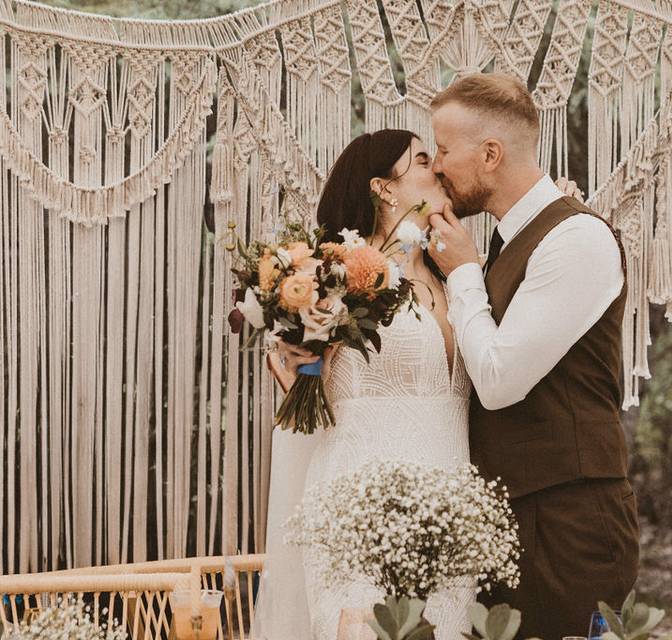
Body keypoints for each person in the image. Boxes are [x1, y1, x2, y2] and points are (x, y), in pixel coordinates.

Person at [254, 128, 583, 639]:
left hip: (451, 515)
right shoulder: (334, 279)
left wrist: (549, 221)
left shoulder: (462, 278)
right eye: (424, 160)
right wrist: (300, 364)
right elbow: (306, 380)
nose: (440, 169)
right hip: (356, 512)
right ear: (384, 188)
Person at [426, 73, 640, 640]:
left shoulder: (577, 240)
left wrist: (464, 273)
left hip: (568, 527)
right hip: (508, 520)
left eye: (444, 150)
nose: (437, 166)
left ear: (490, 154)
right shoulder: (503, 241)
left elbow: (498, 381)